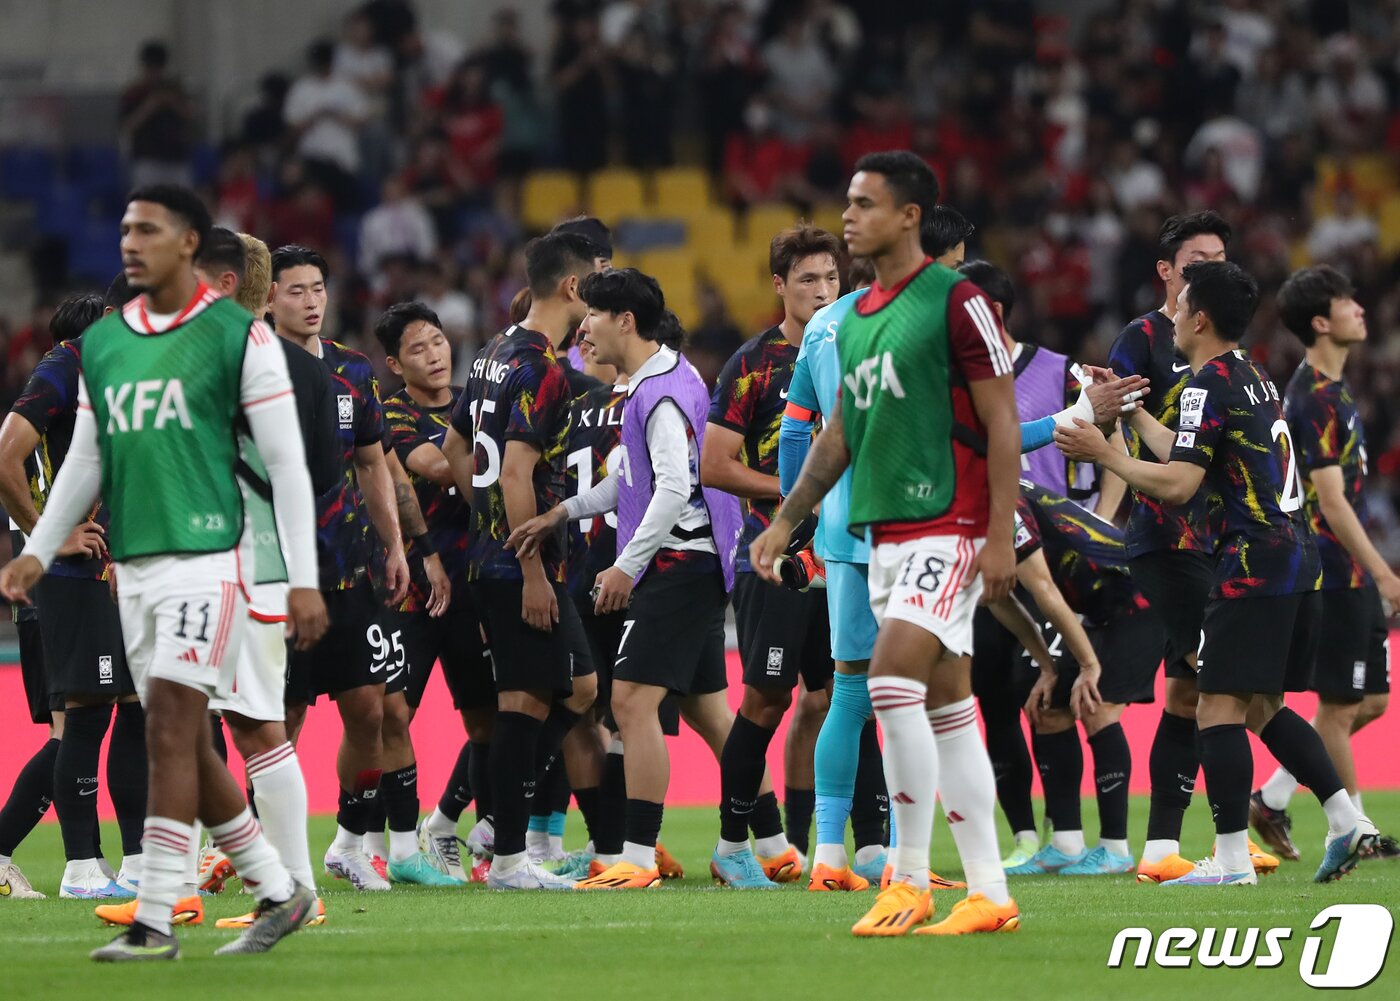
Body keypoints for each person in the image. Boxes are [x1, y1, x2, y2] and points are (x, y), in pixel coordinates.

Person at [0, 184, 324, 959]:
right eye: (125, 229)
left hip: (213, 561)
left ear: (187, 245)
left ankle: (154, 916)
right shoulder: (105, 347)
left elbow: (284, 461)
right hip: (133, 571)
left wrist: (304, 575)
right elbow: (84, 458)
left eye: (148, 229)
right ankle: (279, 890)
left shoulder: (238, 341)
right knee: (189, 738)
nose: (129, 241)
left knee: (174, 727)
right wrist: (38, 547)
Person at [751, 150, 1021, 936]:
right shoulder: (857, 318)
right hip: (881, 530)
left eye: (865, 203)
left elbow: (1001, 418)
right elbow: (839, 434)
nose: (848, 216)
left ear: (909, 216)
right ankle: (990, 891)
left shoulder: (957, 301)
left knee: (887, 677)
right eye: (847, 202)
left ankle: (906, 876)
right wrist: (785, 518)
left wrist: (999, 532)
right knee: (947, 703)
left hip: (952, 520)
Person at [1055, 260, 1372, 886]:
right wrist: (1132, 401)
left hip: (1250, 563)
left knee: (1217, 709)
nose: (1169, 315)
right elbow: (1184, 447)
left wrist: (1105, 452)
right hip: (1293, 556)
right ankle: (1346, 819)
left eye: (1179, 308)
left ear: (1199, 318)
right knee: (1261, 703)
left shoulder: (1205, 384)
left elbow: (1177, 484)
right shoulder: (1250, 374)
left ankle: (1231, 862)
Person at [507, 269, 744, 889]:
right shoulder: (666, 377)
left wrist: (624, 566)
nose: (582, 327)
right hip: (692, 562)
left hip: (678, 564)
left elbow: (670, 490)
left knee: (630, 702)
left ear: (624, 322)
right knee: (710, 715)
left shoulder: (658, 394)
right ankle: (763, 841)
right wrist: (564, 510)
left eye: (592, 317)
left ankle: (637, 855)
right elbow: (636, 480)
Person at [443, 231, 600, 890]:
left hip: (491, 555)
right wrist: (531, 568)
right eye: (598, 279)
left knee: (576, 690)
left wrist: (480, 520)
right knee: (524, 705)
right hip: (520, 567)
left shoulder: (492, 353)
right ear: (572, 287)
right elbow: (515, 475)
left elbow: (453, 446)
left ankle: (498, 834)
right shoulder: (544, 368)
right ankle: (506, 854)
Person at [267, 244, 410, 892]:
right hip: (278, 571)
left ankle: (351, 839)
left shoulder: (354, 370)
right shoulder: (253, 370)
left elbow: (374, 463)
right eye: (294, 289)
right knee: (279, 715)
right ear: (268, 298)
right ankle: (260, 846)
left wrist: (396, 545)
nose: (310, 299)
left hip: (351, 568)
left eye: (316, 287)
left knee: (371, 711)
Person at [701, 224, 841, 887]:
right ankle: (732, 846)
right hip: (774, 558)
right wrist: (794, 491)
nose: (821, 290)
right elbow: (715, 464)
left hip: (840, 557)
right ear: (780, 285)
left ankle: (813, 847)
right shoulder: (753, 364)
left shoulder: (852, 352)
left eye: (831, 278)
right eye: (807, 279)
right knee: (764, 699)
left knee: (838, 697)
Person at [1104, 211, 1237, 884]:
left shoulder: (1225, 348)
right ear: (1166, 271)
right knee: (1216, 682)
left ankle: (1162, 847)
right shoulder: (1144, 337)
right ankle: (1235, 838)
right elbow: (1111, 412)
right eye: (1195, 263)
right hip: (1165, 531)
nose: (1208, 273)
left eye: (1219, 260)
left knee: (1188, 692)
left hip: (1218, 536)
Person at [0, 290, 144, 901]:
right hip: (68, 579)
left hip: (120, 576)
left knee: (133, 709)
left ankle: (136, 862)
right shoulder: (66, 365)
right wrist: (49, 535)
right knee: (84, 718)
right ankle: (80, 866)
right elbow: (6, 455)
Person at [1252, 265, 1398, 860]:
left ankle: (1273, 798)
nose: (1359, 309)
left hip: (1352, 570)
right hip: (1333, 571)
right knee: (1339, 709)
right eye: (1346, 301)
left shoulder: (1333, 390)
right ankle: (1355, 830)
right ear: (1320, 322)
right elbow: (1331, 501)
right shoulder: (1311, 397)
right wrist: (1384, 569)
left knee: (1371, 702)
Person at [374, 301, 495, 886]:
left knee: (488, 725)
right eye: (418, 349)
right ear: (396, 364)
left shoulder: (475, 401)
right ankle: (380, 841)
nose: (435, 355)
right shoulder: (390, 414)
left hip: (475, 586)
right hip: (413, 587)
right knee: (391, 712)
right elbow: (439, 467)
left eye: (439, 341)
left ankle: (444, 824)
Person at [1001, 482, 1162, 877]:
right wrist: (1050, 668)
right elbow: (997, 597)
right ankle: (1066, 844)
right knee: (1048, 709)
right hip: (1096, 605)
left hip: (1138, 595)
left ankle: (1115, 849)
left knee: (1097, 706)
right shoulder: (962, 505)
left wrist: (1088, 666)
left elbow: (1043, 589)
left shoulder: (1001, 501)